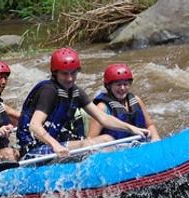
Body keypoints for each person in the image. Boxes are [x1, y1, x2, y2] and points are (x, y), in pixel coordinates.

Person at [17, 47, 150, 158]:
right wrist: (55, 145)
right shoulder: (48, 91)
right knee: (95, 143)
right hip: (34, 150)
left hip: (56, 146)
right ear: (55, 73)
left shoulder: (75, 92)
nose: (70, 79)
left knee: (106, 139)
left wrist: (132, 129)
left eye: (73, 73)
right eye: (64, 74)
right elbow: (34, 126)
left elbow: (103, 118)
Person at [88, 63, 160, 142]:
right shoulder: (102, 107)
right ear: (108, 86)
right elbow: (91, 140)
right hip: (115, 149)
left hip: (139, 145)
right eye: (118, 85)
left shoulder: (136, 100)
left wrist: (155, 138)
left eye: (125, 84)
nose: (122, 88)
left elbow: (150, 125)